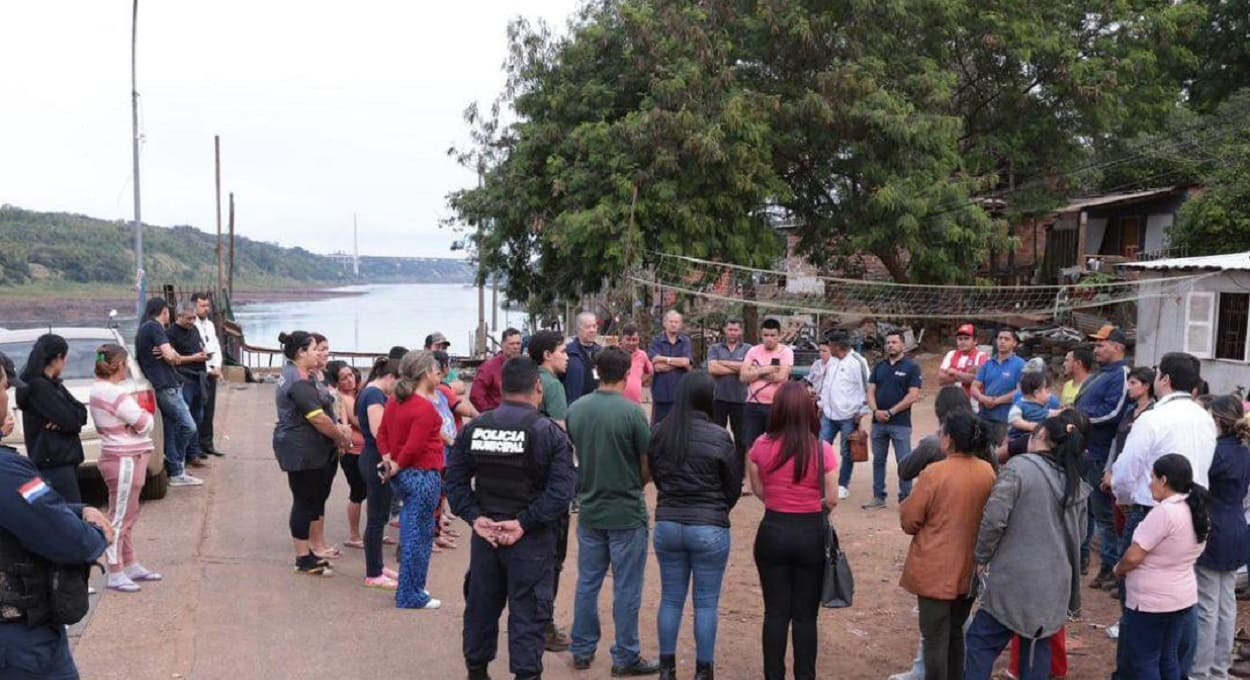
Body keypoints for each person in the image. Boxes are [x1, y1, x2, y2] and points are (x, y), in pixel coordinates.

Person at [445, 356, 577, 680]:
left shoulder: (476, 427)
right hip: (529, 539)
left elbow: (454, 480)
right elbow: (562, 493)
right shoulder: (549, 433)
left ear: (502, 388)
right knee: (528, 614)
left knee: (481, 607)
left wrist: (476, 517)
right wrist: (523, 523)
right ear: (538, 387)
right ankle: (525, 674)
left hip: (488, 535)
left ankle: (476, 670)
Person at [0, 355, 114, 680]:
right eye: (2, 386)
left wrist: (78, 510)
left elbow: (29, 513)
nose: (7, 394)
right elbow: (69, 540)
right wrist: (94, 531)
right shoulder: (6, 472)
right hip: (19, 641)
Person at [964, 411, 1090, 680]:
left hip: (1015, 579)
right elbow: (1079, 535)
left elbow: (994, 519)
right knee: (1037, 645)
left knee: (980, 642)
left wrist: (982, 557)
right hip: (1055, 583)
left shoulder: (1019, 468)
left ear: (1041, 436)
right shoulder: (1074, 482)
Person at [567, 347, 661, 676]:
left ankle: (581, 648)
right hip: (626, 509)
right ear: (627, 375)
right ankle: (625, 654)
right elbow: (648, 461)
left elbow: (577, 450)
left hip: (591, 507)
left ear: (596, 371)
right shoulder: (632, 412)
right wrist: (638, 482)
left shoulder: (576, 409)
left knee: (587, 583)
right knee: (627, 587)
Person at [1111, 352, 1216, 631]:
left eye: (1157, 375)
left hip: (1152, 511)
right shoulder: (1205, 417)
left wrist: (1123, 500)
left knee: (1135, 583)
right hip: (1194, 511)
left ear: (1165, 380)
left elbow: (1125, 470)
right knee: (1180, 581)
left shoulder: (1153, 418)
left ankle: (1141, 647)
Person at [648, 372, 741, 680]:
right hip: (709, 525)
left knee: (671, 599)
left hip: (669, 522)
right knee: (706, 604)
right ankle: (704, 672)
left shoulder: (660, 433)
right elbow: (732, 487)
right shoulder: (719, 436)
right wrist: (717, 508)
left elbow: (657, 476)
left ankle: (666, 669)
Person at [747, 381, 837, 680]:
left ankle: (773, 675)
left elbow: (758, 489)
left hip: (773, 528)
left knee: (775, 612)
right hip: (810, 532)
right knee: (805, 616)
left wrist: (779, 500)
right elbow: (832, 498)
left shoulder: (761, 445)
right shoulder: (822, 450)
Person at [899, 410, 996, 680]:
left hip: (935, 568)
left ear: (949, 439)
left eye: (942, 432)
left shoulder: (935, 473)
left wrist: (905, 507)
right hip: (968, 568)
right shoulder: (987, 471)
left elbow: (910, 521)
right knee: (955, 634)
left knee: (935, 639)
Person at [1114, 454, 1210, 679]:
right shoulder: (1195, 509)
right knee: (1169, 658)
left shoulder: (1164, 513)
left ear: (1164, 480)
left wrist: (1118, 569)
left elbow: (1134, 556)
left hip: (1152, 602)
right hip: (1181, 597)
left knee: (1145, 660)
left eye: (1153, 478)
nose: (1150, 483)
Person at [273, 331, 352, 576]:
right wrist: (341, 435)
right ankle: (302, 557)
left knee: (311, 499)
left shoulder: (302, 376)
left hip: (310, 447)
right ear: (301, 353)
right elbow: (317, 418)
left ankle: (309, 552)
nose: (318, 353)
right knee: (304, 501)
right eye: (313, 349)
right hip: (301, 449)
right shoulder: (297, 380)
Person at [89, 343, 162, 593]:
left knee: (128, 514)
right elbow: (144, 422)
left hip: (124, 456)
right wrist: (139, 421)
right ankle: (116, 570)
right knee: (119, 516)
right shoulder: (114, 393)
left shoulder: (101, 390)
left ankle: (129, 563)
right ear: (119, 365)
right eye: (126, 363)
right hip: (124, 458)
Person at [376, 350, 447, 610]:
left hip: (404, 475)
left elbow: (383, 433)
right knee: (420, 536)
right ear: (426, 373)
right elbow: (415, 446)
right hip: (423, 474)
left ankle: (412, 586)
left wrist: (389, 460)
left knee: (413, 532)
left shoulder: (395, 401)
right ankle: (411, 593)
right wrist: (397, 462)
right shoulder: (424, 408)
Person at [1190, 396, 1250, 680]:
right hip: (1237, 525)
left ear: (1217, 421)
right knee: (1226, 605)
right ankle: (1218, 669)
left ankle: (1201, 671)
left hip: (1216, 527)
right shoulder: (1244, 451)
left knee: (1207, 606)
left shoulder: (1215, 453)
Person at [526, 329, 574, 651]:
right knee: (553, 558)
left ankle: (530, 621)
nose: (566, 356)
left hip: (524, 480)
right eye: (562, 351)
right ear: (547, 355)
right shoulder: (553, 385)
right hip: (551, 484)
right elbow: (561, 432)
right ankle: (544, 625)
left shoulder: (525, 379)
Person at [1090, 366, 1155, 591]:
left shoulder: (1153, 414)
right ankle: (1109, 568)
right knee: (1113, 523)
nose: (1129, 387)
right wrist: (1109, 471)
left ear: (1147, 386)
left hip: (1139, 482)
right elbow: (1117, 444)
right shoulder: (1129, 412)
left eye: (1134, 383)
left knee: (1132, 529)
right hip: (1119, 477)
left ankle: (1124, 578)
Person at [1076, 325, 1131, 580]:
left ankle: (1110, 568)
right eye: (1095, 345)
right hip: (1087, 451)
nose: (1096, 349)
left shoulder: (1121, 374)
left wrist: (1080, 418)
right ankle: (1092, 562)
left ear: (1117, 348)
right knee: (1088, 510)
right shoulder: (1102, 373)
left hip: (1102, 453)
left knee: (1105, 516)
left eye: (1101, 344)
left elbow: (1113, 412)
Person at [135, 298, 203, 487]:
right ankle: (178, 465)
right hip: (165, 386)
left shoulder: (143, 330)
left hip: (162, 384)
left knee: (171, 429)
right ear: (164, 312)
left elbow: (170, 355)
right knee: (189, 425)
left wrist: (172, 354)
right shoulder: (154, 328)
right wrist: (173, 354)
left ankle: (175, 469)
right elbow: (170, 356)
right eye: (167, 312)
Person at [15, 334, 87, 502]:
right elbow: (70, 420)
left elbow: (81, 413)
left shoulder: (54, 384)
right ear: (57, 358)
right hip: (53, 461)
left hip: (62, 459)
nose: (66, 363)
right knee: (69, 514)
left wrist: (67, 421)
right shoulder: (39, 386)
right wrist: (68, 422)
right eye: (65, 358)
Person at [863, 330, 922, 510]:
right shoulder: (879, 367)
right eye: (888, 342)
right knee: (878, 460)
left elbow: (913, 395)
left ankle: (906, 498)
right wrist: (876, 411)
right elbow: (870, 391)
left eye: (894, 342)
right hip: (878, 423)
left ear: (903, 345)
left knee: (904, 461)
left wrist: (891, 411)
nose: (890, 345)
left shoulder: (912, 367)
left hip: (900, 424)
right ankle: (878, 497)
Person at [357, 356, 401, 589]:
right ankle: (373, 572)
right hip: (376, 458)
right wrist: (390, 459)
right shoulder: (374, 395)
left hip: (372, 457)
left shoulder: (370, 391)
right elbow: (378, 431)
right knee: (375, 518)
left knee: (380, 515)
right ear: (390, 377)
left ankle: (377, 564)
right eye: (398, 382)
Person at [816, 331, 870, 500]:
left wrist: (861, 413)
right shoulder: (831, 361)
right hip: (829, 415)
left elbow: (868, 388)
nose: (827, 348)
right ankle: (819, 484)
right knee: (820, 448)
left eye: (830, 345)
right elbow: (826, 384)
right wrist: (822, 405)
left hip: (849, 415)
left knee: (848, 452)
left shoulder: (858, 362)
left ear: (837, 347)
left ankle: (842, 485)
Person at [324, 361, 366, 550]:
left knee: (369, 491)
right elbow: (359, 421)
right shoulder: (342, 399)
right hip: (353, 451)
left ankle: (370, 531)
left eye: (351, 375)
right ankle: (354, 534)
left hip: (364, 449)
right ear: (336, 382)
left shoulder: (356, 394)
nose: (350, 380)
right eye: (344, 378)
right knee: (357, 492)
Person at [166, 300, 211, 470]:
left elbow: (200, 346)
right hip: (184, 378)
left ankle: (194, 453)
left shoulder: (195, 329)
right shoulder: (170, 334)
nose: (192, 322)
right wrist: (194, 358)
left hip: (199, 377)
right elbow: (172, 359)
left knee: (198, 417)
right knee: (185, 420)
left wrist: (205, 354)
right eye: (188, 319)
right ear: (179, 316)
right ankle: (181, 456)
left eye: (193, 318)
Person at [739, 318, 794, 452]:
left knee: (776, 446)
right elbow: (743, 376)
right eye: (766, 335)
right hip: (753, 405)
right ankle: (750, 474)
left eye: (773, 335)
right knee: (751, 446)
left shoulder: (785, 352)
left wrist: (755, 371)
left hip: (776, 405)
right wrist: (765, 369)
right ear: (761, 335)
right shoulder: (753, 351)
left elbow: (780, 377)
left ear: (779, 336)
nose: (769, 339)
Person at [705, 318, 750, 470]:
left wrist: (722, 363)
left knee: (741, 439)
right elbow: (712, 369)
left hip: (741, 399)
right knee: (717, 436)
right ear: (725, 330)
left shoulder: (748, 349)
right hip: (718, 398)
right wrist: (739, 367)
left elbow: (749, 369)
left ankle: (740, 471)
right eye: (730, 329)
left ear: (741, 331)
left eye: (736, 330)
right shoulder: (715, 348)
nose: (732, 332)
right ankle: (718, 468)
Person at [191, 292, 226, 457]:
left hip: (212, 372)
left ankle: (208, 443)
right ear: (194, 306)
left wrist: (218, 367)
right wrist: (208, 369)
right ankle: (196, 446)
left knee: (210, 410)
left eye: (207, 305)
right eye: (202, 306)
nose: (206, 309)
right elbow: (196, 350)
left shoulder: (210, 325)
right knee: (199, 410)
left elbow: (216, 347)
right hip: (200, 373)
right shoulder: (192, 325)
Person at [970, 327, 1026, 429]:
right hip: (984, 416)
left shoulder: (1021, 365)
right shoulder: (988, 363)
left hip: (1006, 420)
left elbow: (1020, 391)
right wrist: (983, 398)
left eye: (1006, 339)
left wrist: (996, 401)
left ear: (1014, 343)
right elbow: (974, 387)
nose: (1002, 341)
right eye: (1000, 338)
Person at [650, 310, 694, 424]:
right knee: (660, 429)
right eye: (671, 321)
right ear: (665, 323)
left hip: (681, 394)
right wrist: (679, 363)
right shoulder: (657, 341)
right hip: (661, 394)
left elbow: (685, 362)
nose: (673, 324)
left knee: (680, 428)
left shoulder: (685, 341)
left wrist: (665, 359)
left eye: (676, 322)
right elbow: (658, 367)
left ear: (680, 324)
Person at [470, 328, 523, 413]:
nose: (516, 347)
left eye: (518, 343)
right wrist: (490, 415)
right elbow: (475, 395)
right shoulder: (489, 367)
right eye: (512, 344)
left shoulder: (524, 365)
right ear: (502, 345)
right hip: (498, 417)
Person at [937, 324, 987, 411]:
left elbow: (977, 379)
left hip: (973, 408)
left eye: (966, 338)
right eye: (960, 339)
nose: (962, 342)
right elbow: (941, 379)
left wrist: (954, 372)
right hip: (952, 406)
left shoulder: (981, 356)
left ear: (975, 341)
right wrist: (966, 375)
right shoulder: (951, 354)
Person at [564, 312, 602, 404]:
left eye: (594, 326)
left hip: (596, 405)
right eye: (587, 327)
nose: (592, 330)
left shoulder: (601, 352)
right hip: (574, 405)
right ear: (578, 329)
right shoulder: (568, 352)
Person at [1007, 371, 1058, 440]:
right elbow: (1014, 419)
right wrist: (1030, 426)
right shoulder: (1021, 405)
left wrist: (1060, 412)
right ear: (1037, 393)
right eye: (1047, 392)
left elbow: (1048, 413)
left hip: (1034, 439)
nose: (1050, 395)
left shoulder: (1041, 406)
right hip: (1018, 438)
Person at [619, 324, 654, 405]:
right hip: (617, 403)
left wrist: (638, 380)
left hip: (635, 404)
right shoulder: (615, 353)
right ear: (622, 339)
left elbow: (650, 371)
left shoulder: (642, 355)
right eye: (628, 339)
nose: (631, 343)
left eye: (634, 340)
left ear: (639, 340)